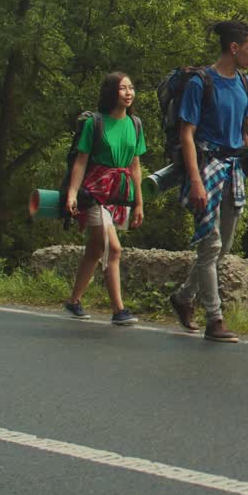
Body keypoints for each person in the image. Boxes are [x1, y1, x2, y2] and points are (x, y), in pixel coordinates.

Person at [169, 20, 248, 343]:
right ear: (234, 48)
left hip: (235, 169)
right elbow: (187, 134)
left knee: (223, 247)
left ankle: (184, 296)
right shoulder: (202, 83)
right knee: (210, 244)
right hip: (207, 166)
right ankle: (215, 318)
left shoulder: (245, 84)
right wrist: (196, 181)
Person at [63, 72, 145, 325]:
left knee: (95, 248)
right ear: (112, 92)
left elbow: (135, 166)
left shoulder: (136, 124)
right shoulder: (95, 123)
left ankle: (74, 301)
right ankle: (119, 310)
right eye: (123, 88)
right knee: (114, 248)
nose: (129, 93)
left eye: (131, 88)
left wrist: (139, 202)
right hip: (96, 190)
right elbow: (81, 161)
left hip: (119, 193)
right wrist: (72, 193)